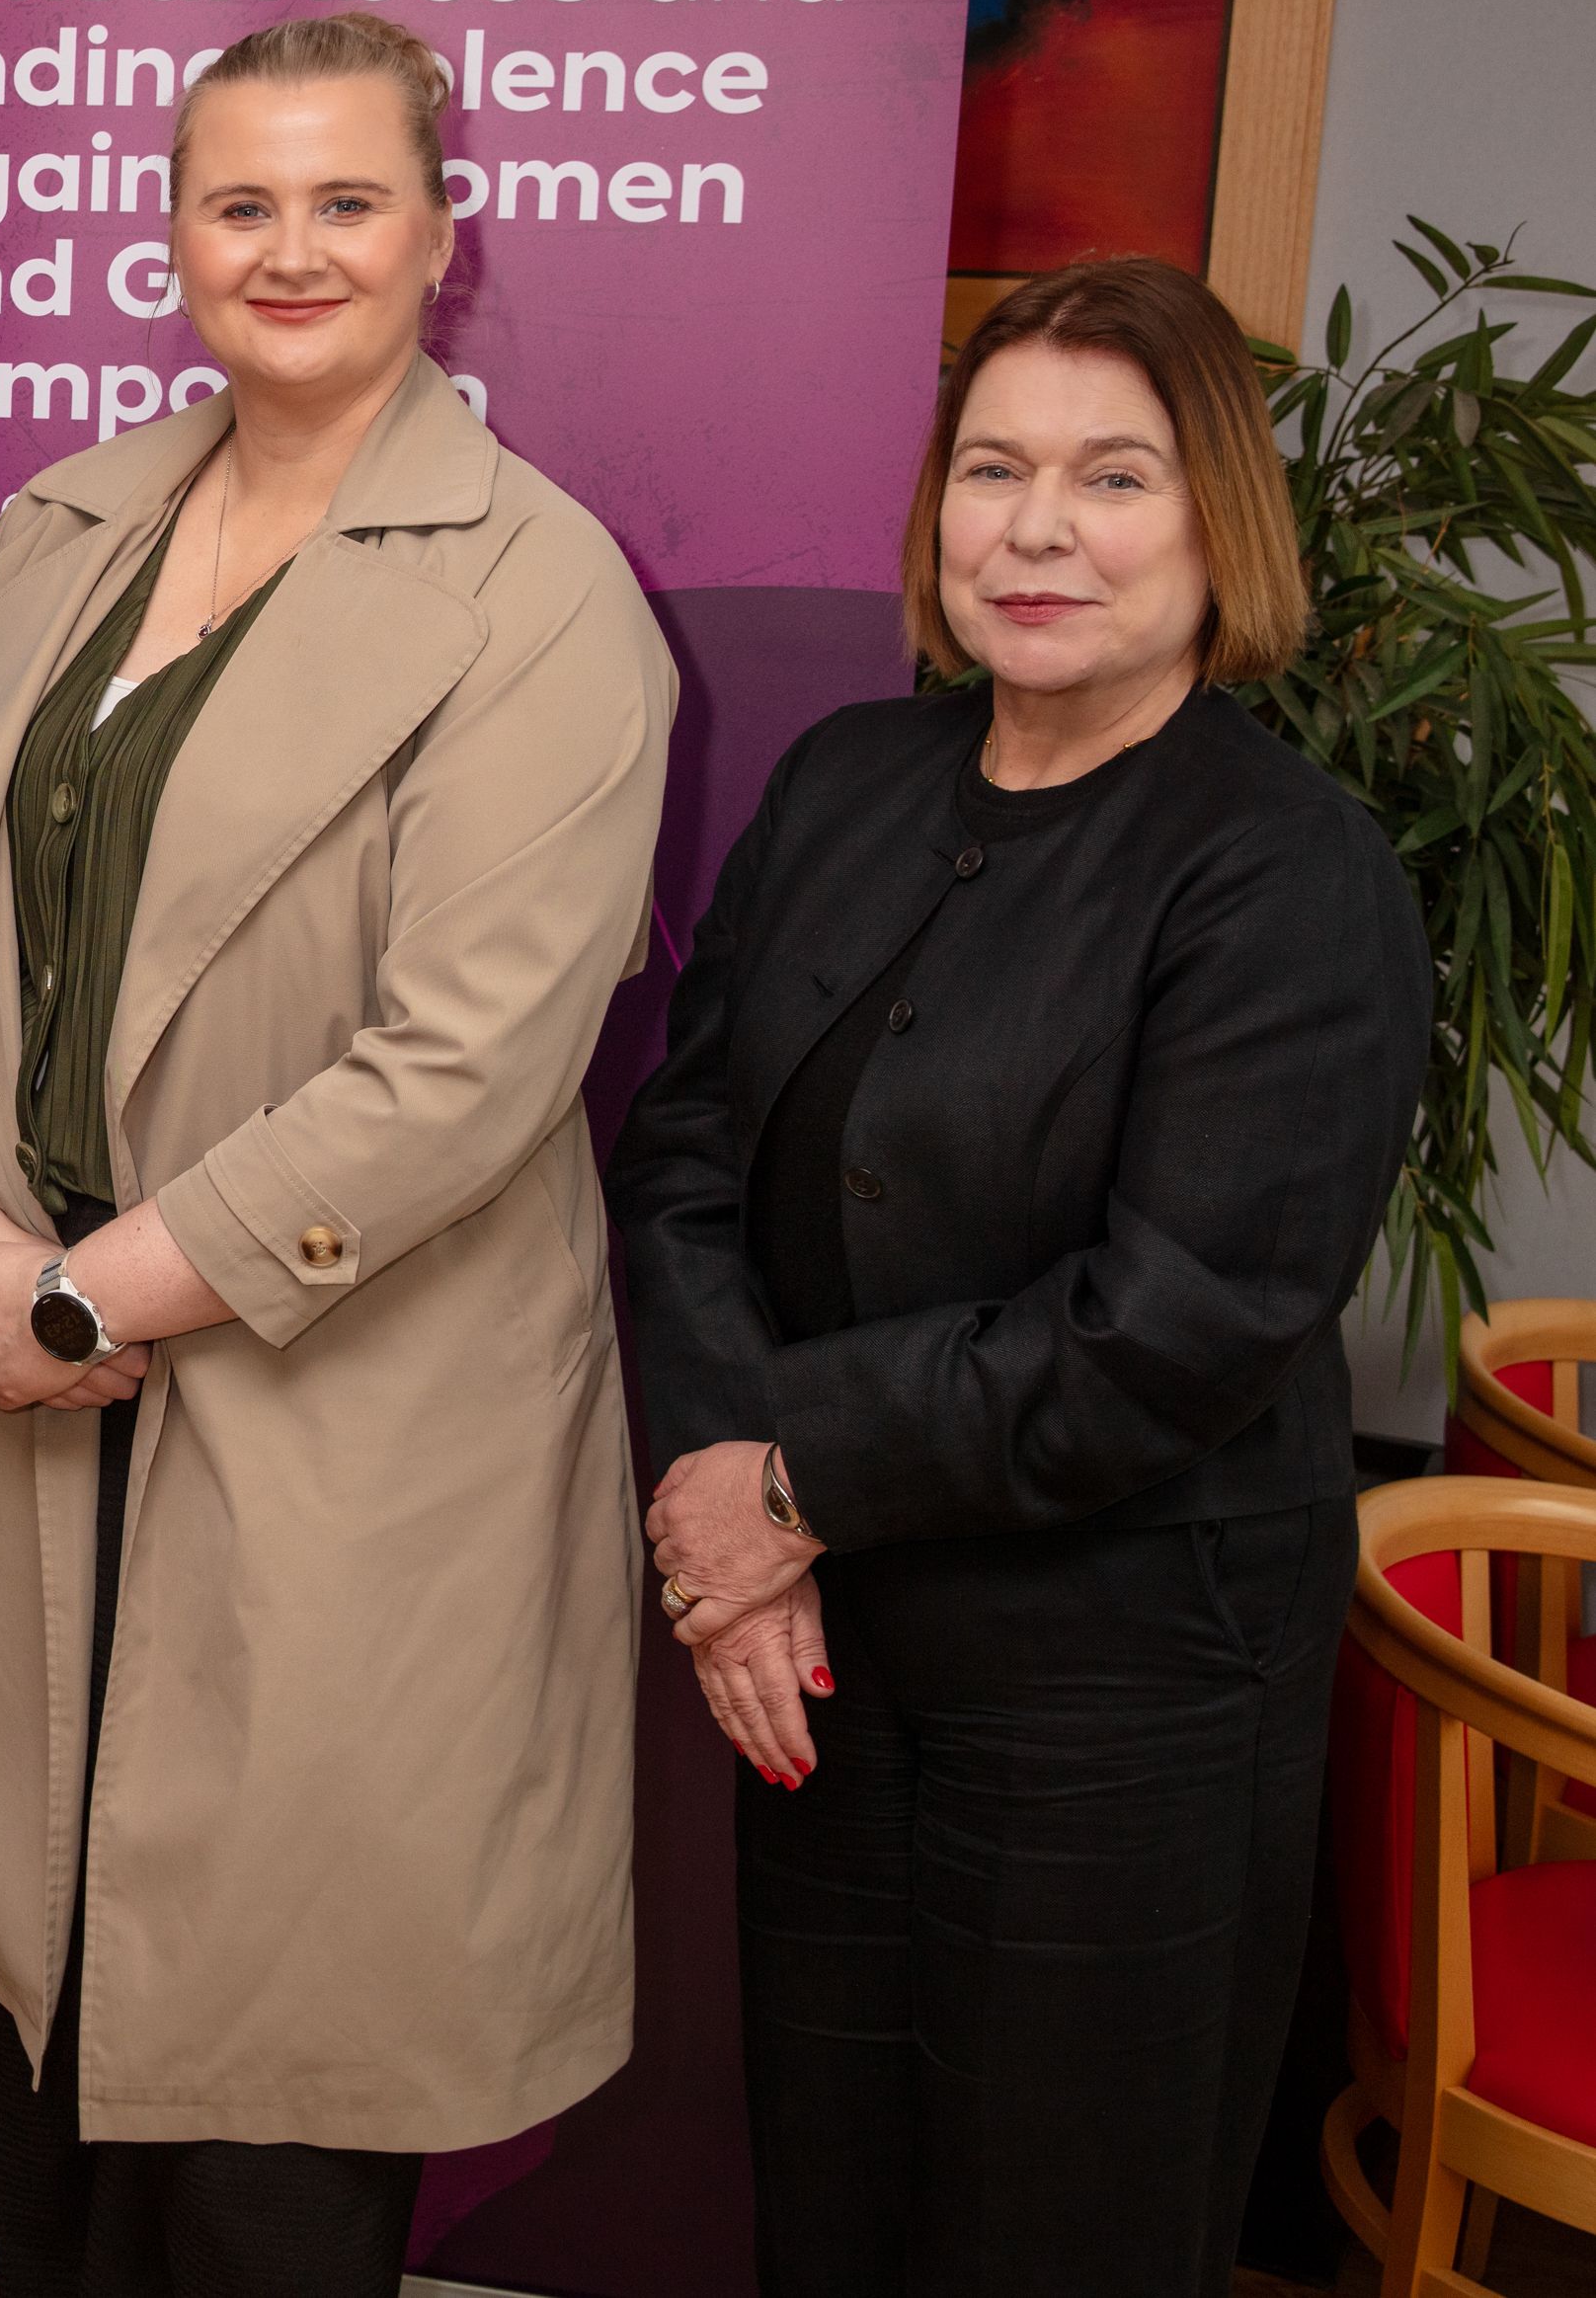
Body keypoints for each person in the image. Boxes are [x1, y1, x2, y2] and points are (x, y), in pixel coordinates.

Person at [0, 10, 676, 2297]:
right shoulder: (66, 531)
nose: (292, 249)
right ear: (171, 235)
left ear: (444, 232)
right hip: (42, 1414)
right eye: (239, 202)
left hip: (335, 1423)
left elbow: (465, 1069)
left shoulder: (539, 591)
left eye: (347, 199)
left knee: (260, 2147)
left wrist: (85, 1293)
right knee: (50, 2101)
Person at [608, 255, 1430, 2297]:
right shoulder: (844, 787)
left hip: (1130, 1686)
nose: (1037, 528)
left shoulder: (1288, 869)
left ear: (1217, 521)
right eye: (993, 470)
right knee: (836, 2193)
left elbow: (1178, 1327)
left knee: (1058, 2231)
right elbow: (687, 1163)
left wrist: (774, 1482)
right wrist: (742, 1507)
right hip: (828, 1646)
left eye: (1113, 476)